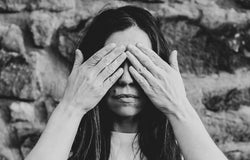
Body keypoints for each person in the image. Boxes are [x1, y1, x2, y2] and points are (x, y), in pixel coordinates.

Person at [25, 5, 228, 160]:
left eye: (139, 63)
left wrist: (179, 107)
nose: (126, 79)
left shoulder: (186, 149)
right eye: (113, 63)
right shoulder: (63, 147)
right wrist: (71, 106)